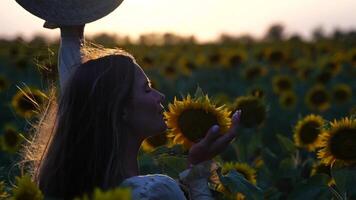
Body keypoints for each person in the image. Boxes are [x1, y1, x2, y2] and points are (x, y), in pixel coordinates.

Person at [23, 24, 241, 200]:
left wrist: (71, 32)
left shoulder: (73, 187)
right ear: (120, 109)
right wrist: (199, 169)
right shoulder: (153, 192)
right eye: (146, 89)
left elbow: (80, 99)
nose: (160, 96)